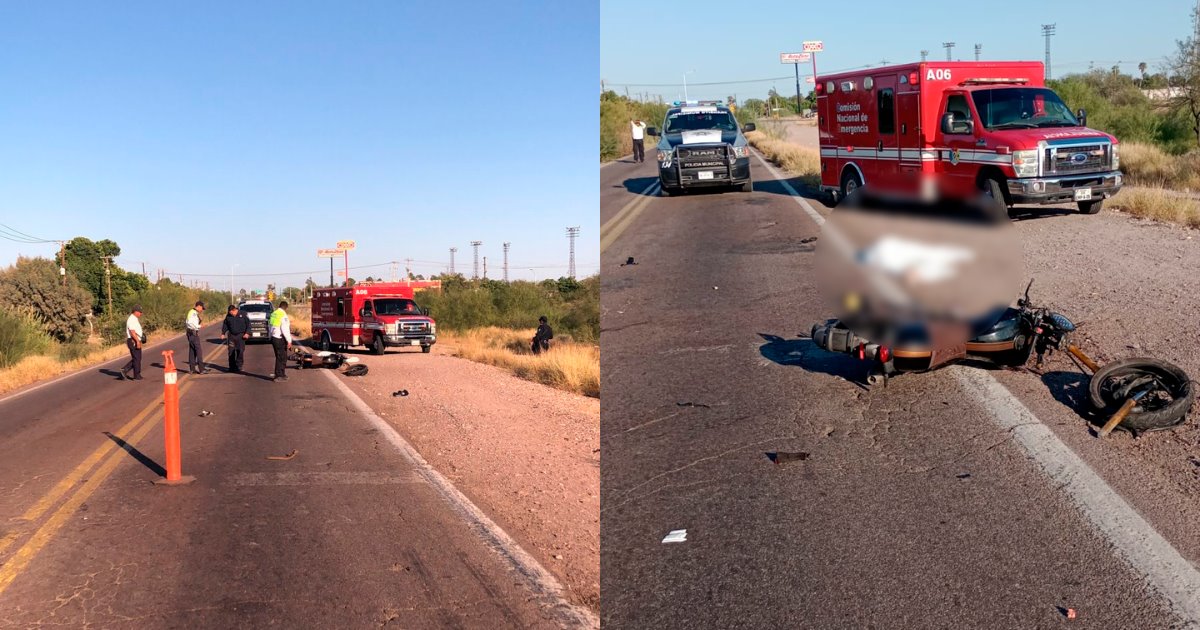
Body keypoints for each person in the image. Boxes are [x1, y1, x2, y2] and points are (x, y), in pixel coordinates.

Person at [220, 304, 250, 373]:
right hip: (231, 336)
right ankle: (232, 367)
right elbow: (225, 325)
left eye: (231, 313)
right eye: (229, 313)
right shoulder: (228, 316)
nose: (231, 314)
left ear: (235, 310)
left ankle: (239, 366)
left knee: (240, 351)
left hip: (241, 336)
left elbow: (248, 324)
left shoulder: (243, 314)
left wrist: (247, 333)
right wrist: (223, 333)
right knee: (231, 352)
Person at [269, 300, 292, 381]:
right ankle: (278, 375)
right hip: (280, 338)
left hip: (274, 337)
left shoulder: (274, 313)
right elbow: (285, 329)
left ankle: (282, 374)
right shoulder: (283, 315)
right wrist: (289, 340)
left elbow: (270, 326)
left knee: (282, 356)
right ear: (286, 307)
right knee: (281, 357)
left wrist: (270, 336)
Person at [120, 305, 145, 380]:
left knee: (137, 358)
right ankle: (136, 375)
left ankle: (125, 370)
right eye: (140, 312)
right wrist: (137, 341)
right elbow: (132, 331)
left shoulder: (134, 319)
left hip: (135, 339)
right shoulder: (131, 319)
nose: (141, 314)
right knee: (137, 358)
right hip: (133, 340)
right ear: (136, 312)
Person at [186, 301, 207, 374]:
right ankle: (201, 369)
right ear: (199, 306)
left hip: (191, 333)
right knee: (198, 351)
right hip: (193, 333)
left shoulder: (193, 312)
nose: (202, 310)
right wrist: (199, 326)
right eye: (202, 308)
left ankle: (192, 369)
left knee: (192, 351)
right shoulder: (193, 313)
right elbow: (190, 323)